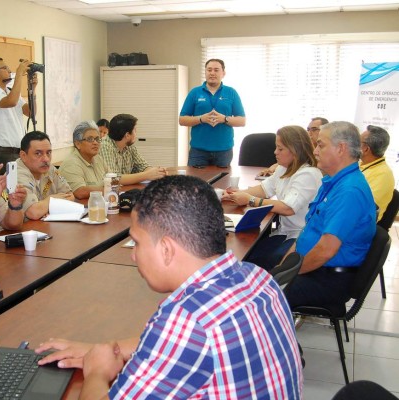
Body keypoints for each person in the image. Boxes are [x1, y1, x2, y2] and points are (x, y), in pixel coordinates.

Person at [35, 176, 303, 399]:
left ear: (165, 249)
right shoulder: (257, 278)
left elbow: (185, 336)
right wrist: (108, 348)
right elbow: (175, 345)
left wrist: (96, 371)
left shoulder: (187, 320)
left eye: (137, 243)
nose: (133, 255)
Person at [283, 121, 376, 309]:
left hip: (328, 279)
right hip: (315, 269)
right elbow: (306, 232)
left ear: (341, 148)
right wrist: (282, 268)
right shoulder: (332, 182)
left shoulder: (349, 191)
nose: (315, 151)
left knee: (260, 298)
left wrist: (286, 275)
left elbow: (326, 251)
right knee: (261, 283)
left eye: (320, 145)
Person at [223, 126, 323, 270]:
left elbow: (287, 208)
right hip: (283, 231)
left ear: (295, 149)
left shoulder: (308, 174)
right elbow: (263, 189)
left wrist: (250, 199)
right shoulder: (283, 168)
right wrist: (236, 195)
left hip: (298, 237)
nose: (275, 152)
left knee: (252, 260)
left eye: (280, 149)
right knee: (249, 256)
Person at [179, 58, 246, 167]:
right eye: (209, 70)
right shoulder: (194, 92)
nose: (212, 73)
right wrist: (201, 119)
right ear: (205, 72)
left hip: (224, 151)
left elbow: (242, 121)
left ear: (223, 73)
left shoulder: (231, 93)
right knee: (195, 183)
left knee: (222, 183)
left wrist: (224, 119)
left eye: (216, 70)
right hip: (198, 152)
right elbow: (182, 120)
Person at [0, 57, 38, 174]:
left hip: (18, 153)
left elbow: (30, 112)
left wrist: (32, 88)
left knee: (19, 190)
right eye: (5, 68)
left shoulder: (10, 92)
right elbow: (11, 102)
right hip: (2, 154)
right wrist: (19, 74)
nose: (9, 71)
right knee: (4, 192)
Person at [17, 131, 75, 220]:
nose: (46, 159)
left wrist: (47, 208)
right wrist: (51, 199)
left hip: (43, 226)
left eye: (48, 153)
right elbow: (34, 212)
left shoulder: (49, 168)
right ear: (23, 156)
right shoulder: (17, 174)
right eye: (38, 153)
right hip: (18, 231)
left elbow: (70, 196)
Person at [99, 113, 167, 185]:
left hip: (124, 190)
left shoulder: (129, 145)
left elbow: (142, 165)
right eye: (135, 130)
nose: (136, 133)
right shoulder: (104, 146)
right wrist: (147, 175)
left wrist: (157, 172)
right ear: (127, 135)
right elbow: (114, 179)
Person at [258, 116, 329, 177]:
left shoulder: (326, 153)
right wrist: (271, 169)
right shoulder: (304, 149)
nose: (309, 133)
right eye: (308, 129)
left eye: (314, 129)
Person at [59, 121, 111, 199]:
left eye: (97, 139)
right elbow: (80, 192)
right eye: (90, 139)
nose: (95, 143)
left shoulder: (98, 158)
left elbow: (112, 179)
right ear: (78, 144)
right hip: (81, 208)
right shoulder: (71, 163)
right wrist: (110, 190)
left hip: (100, 203)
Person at [359, 124, 394, 222]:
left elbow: (363, 208)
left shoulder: (383, 175)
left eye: (358, 141)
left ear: (366, 149)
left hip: (360, 226)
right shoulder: (361, 164)